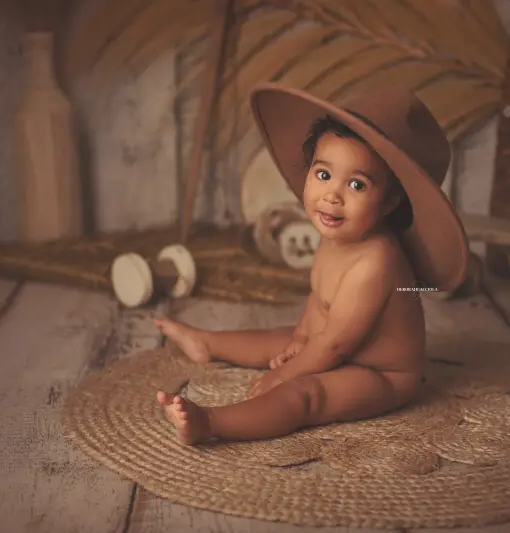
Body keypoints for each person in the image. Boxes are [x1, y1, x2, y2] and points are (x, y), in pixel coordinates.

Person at [155, 82, 469, 445]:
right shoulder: (337, 232)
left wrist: (285, 374)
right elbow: (319, 299)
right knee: (280, 338)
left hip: (377, 372)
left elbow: (334, 347)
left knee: (307, 394)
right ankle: (206, 341)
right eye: (323, 175)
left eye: (357, 185)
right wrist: (302, 337)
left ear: (389, 202)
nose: (332, 196)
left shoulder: (376, 262)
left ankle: (209, 422)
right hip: (333, 343)